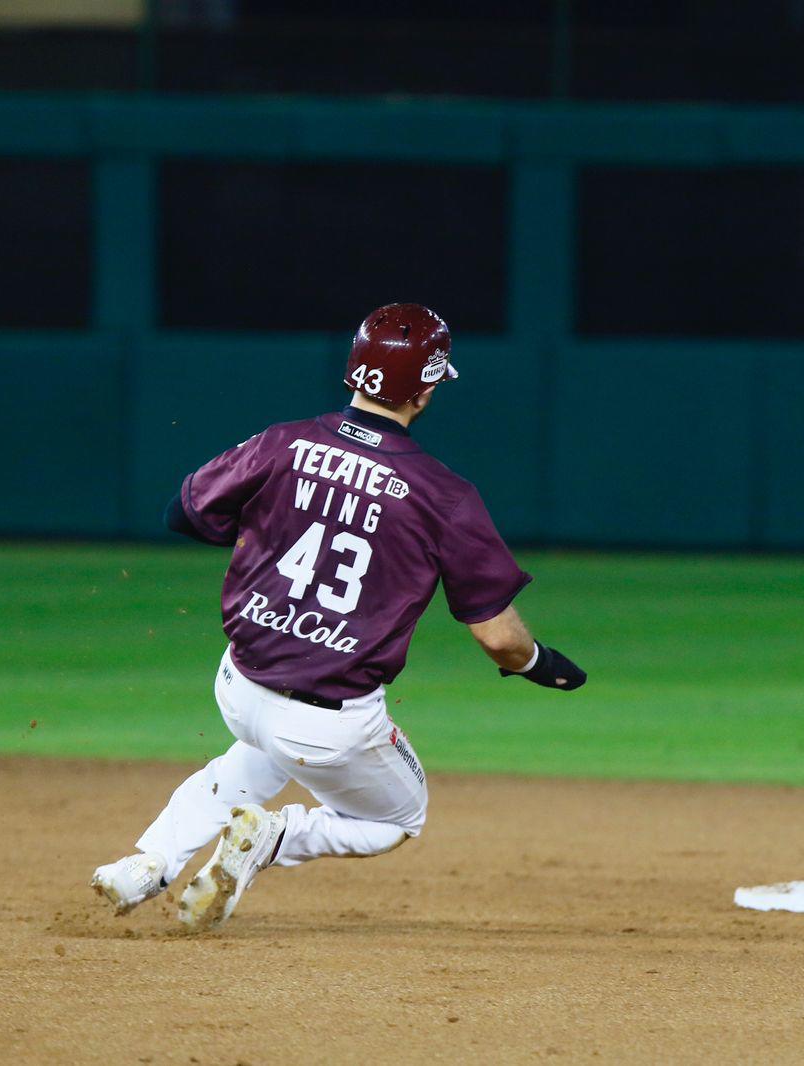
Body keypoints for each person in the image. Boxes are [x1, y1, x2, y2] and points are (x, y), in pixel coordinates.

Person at [91, 303, 586, 931]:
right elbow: (500, 639)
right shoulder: (442, 496)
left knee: (255, 758)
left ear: (355, 370)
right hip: (331, 722)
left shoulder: (283, 443)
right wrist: (539, 665)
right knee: (395, 821)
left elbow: (183, 513)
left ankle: (149, 863)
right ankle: (270, 839)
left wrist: (286, 522)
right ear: (427, 388)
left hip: (239, 685)